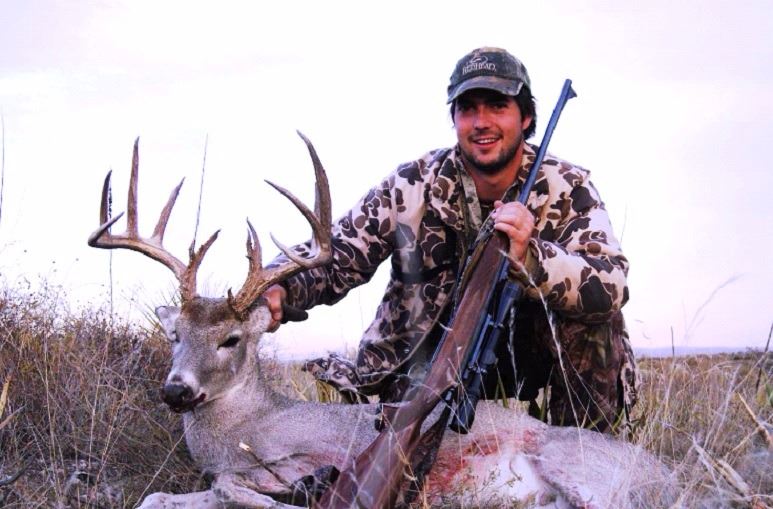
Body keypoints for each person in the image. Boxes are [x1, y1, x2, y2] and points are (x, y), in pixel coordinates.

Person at [264, 47, 638, 433]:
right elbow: (340, 253)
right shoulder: (411, 184)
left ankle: (582, 452)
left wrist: (532, 260)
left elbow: (610, 283)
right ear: (454, 118)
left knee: (597, 324)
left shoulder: (567, 186)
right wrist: (279, 286)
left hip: (527, 348)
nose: (481, 123)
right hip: (428, 356)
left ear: (526, 118)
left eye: (497, 106)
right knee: (402, 450)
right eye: (467, 109)